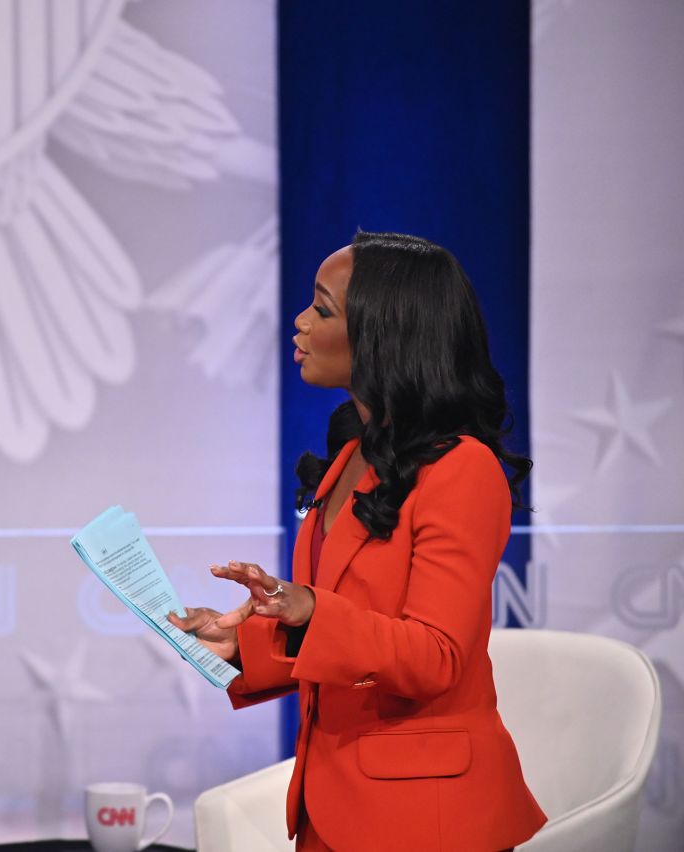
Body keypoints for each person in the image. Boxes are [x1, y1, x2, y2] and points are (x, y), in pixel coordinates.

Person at [169, 232, 546, 851]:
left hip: (426, 821)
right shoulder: (354, 453)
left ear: (383, 335)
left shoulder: (462, 468)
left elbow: (434, 655)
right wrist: (242, 642)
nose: (299, 321)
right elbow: (355, 628)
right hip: (332, 810)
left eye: (321, 309)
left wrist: (312, 609)